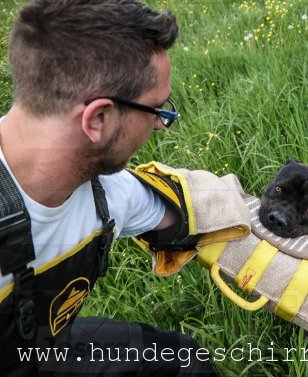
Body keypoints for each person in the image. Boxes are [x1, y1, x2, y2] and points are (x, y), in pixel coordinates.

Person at [0, 1, 218, 375]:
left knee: (181, 362)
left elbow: (187, 219)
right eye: (157, 110)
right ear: (98, 118)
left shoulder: (109, 191)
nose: (160, 126)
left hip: (40, 349)